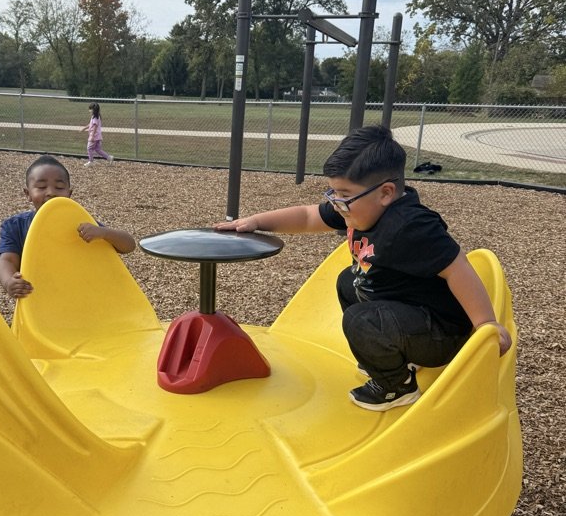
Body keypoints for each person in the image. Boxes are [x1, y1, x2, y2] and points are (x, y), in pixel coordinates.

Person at [216, 125, 512, 412]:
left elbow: (458, 268)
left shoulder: (410, 225)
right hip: (410, 311)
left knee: (361, 321)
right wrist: (256, 222)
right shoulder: (361, 206)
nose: (336, 203)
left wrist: (486, 325)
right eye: (333, 193)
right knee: (349, 281)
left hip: (442, 334)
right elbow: (307, 216)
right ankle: (391, 356)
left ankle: (396, 386)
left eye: (343, 195)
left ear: (385, 193)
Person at [0, 155, 135, 299]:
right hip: (37, 299)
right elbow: (7, 260)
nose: (51, 192)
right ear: (28, 194)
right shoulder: (15, 226)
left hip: (79, 296)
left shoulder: (80, 223)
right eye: (41, 187)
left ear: (69, 194)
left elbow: (129, 246)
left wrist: (104, 233)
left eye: (59, 187)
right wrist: (9, 282)